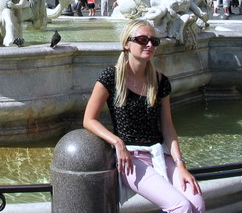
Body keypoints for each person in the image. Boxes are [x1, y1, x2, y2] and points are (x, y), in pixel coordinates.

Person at [83, 20, 204, 213]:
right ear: (127, 44)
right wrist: (117, 143)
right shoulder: (111, 77)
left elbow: (168, 127)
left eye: (153, 41)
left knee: (197, 203)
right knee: (181, 206)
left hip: (159, 154)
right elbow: (89, 119)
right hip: (132, 159)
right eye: (142, 40)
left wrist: (180, 164)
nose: (149, 44)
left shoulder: (160, 81)